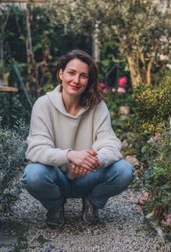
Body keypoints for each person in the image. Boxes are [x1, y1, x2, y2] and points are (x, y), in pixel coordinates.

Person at [21, 49, 134, 229]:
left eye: (83, 76)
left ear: (88, 80)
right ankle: (55, 205)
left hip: (88, 177)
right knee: (33, 175)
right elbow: (36, 149)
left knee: (125, 171)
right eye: (71, 73)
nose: (76, 80)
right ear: (61, 73)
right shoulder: (43, 104)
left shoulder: (97, 106)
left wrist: (93, 161)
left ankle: (92, 202)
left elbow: (110, 144)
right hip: (56, 177)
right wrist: (71, 156)